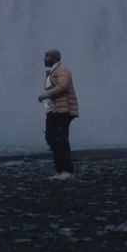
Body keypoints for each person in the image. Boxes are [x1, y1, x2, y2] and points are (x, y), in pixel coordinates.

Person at [35, 49, 79, 180]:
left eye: (46, 57)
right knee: (51, 138)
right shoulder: (51, 72)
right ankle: (59, 170)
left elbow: (63, 86)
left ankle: (67, 171)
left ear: (54, 58)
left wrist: (45, 95)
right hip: (53, 110)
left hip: (63, 111)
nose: (44, 59)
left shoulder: (62, 70)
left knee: (61, 140)